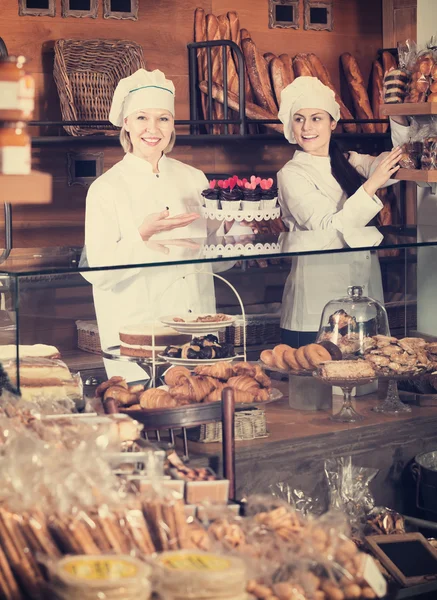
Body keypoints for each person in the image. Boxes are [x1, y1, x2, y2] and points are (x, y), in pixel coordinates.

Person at [83, 68, 217, 379]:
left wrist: (232, 231)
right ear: (126, 123)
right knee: (145, 418)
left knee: (201, 417)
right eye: (142, 117)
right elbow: (99, 274)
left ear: (172, 126)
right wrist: (141, 235)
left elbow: (212, 263)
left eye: (163, 118)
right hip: (138, 335)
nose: (152, 128)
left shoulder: (194, 179)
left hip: (195, 331)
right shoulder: (106, 188)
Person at [277, 76, 409, 347]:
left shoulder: (347, 161)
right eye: (299, 119)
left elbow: (399, 162)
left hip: (362, 302)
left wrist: (399, 118)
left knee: (363, 382)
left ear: (333, 123)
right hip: (314, 309)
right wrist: (372, 185)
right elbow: (327, 228)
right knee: (317, 386)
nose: (307, 127)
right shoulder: (291, 174)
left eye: (316, 118)